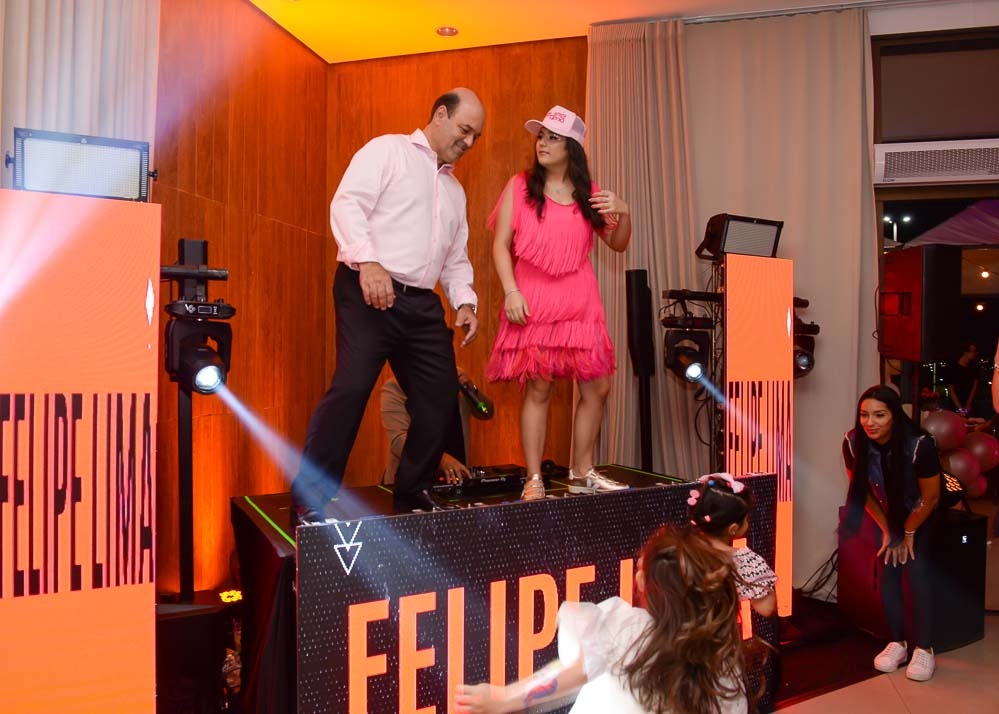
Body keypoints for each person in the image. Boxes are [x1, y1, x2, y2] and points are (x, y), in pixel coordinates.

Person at [291, 88, 485, 520]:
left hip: (420, 304)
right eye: (464, 130)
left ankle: (412, 490)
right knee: (352, 388)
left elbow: (455, 258)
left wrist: (465, 302)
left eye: (476, 136)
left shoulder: (455, 192)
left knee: (439, 395)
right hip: (368, 290)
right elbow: (347, 204)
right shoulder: (388, 151)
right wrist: (369, 261)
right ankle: (310, 499)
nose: (469, 142)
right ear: (440, 115)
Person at [485, 104, 632, 501]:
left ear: (572, 148)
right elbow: (500, 245)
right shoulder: (520, 186)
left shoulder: (590, 194)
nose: (542, 143)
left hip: (580, 300)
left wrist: (624, 213)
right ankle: (533, 478)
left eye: (553, 138)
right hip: (533, 299)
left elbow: (618, 245)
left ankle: (582, 471)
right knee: (539, 387)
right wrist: (511, 290)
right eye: (541, 136)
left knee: (598, 386)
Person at [454, 525, 747, 714]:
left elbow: (572, 672)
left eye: (640, 566)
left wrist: (502, 698)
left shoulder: (626, 627)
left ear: (644, 583)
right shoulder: (721, 651)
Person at [841, 385, 942, 681]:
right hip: (888, 514)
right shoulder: (852, 442)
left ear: (894, 416)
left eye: (879, 415)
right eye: (864, 415)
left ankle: (925, 648)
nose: (870, 422)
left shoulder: (919, 445)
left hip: (920, 513)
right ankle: (898, 643)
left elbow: (931, 497)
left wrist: (907, 531)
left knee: (917, 570)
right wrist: (888, 529)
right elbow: (862, 490)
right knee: (888, 568)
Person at [380, 366, 494, 487]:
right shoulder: (396, 386)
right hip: (413, 483)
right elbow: (399, 440)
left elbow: (486, 412)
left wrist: (471, 389)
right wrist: (439, 458)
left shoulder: (455, 381)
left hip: (457, 479)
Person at [688, 473, 777, 617]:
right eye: (747, 519)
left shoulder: (682, 550)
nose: (748, 523)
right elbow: (766, 609)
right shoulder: (745, 562)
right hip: (721, 629)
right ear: (733, 529)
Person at [945, 340, 979, 416]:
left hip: (969, 406)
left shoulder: (974, 367)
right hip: (955, 405)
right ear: (965, 352)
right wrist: (960, 408)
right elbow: (951, 390)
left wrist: (968, 404)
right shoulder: (952, 368)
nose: (976, 353)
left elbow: (975, 386)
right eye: (973, 351)